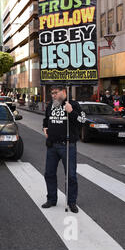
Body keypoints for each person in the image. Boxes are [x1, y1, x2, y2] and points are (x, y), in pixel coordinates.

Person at [42, 85, 86, 213]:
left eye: (55, 93)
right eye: (51, 93)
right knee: (49, 174)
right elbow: (46, 119)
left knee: (71, 176)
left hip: (68, 146)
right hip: (52, 145)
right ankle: (51, 199)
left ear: (63, 92)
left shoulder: (73, 104)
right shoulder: (52, 104)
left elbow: (82, 121)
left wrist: (71, 112)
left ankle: (71, 202)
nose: (53, 95)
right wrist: (44, 127)